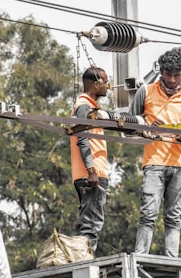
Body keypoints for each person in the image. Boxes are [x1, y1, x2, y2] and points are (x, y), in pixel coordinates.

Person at [129, 49, 181, 257]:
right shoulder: (146, 92)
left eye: (176, 75)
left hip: (180, 164)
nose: (171, 80)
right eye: (168, 74)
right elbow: (128, 123)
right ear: (161, 72)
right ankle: (140, 256)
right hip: (154, 161)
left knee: (174, 216)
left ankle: (172, 259)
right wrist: (147, 126)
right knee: (148, 214)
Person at [70, 66, 110, 254]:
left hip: (89, 172)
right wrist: (92, 170)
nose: (108, 86)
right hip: (92, 174)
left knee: (88, 222)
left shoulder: (89, 107)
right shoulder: (84, 106)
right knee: (91, 224)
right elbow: (82, 138)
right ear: (96, 84)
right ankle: (86, 265)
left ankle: (83, 261)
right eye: (106, 82)